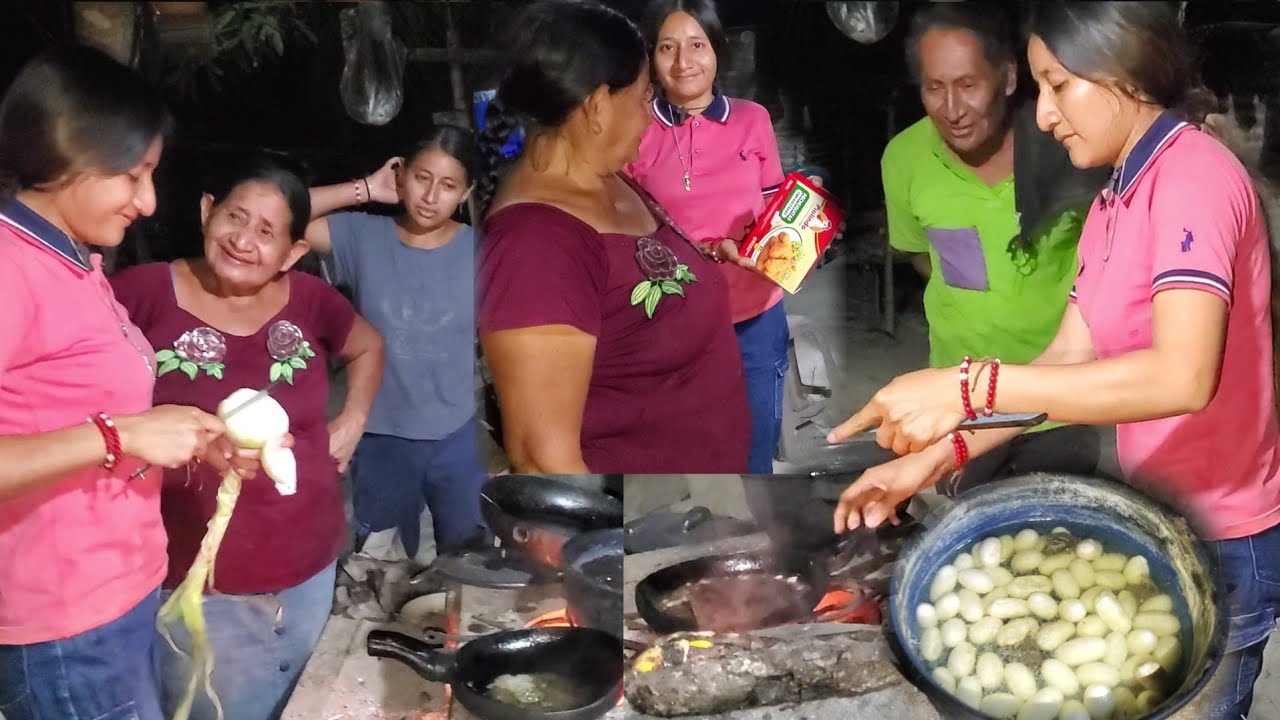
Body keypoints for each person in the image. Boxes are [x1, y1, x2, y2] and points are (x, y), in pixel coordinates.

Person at [830, 4, 1280, 717]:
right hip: (1159, 512)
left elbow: (1183, 376)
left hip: (1225, 535)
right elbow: (1064, 361)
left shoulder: (1192, 176)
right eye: (1040, 88)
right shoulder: (1112, 204)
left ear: (1123, 70)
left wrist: (964, 384)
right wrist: (935, 457)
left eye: (1059, 85)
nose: (1043, 115)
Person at [0, 45, 239, 720]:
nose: (148, 201)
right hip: (63, 629)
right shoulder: (10, 266)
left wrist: (189, 437)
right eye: (133, 176)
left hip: (117, 596)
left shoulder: (74, 261)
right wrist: (120, 434)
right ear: (64, 152)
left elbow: (63, 407)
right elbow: (105, 430)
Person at [111, 154, 385, 720]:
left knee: (300, 703)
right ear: (207, 211)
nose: (243, 241)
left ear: (293, 252)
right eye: (235, 217)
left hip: (309, 564)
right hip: (196, 580)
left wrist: (353, 419)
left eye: (266, 232)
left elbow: (368, 345)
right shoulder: (141, 293)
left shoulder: (310, 299)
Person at [475, 0, 749, 473]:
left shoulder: (607, 181)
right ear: (598, 105)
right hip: (639, 512)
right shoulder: (534, 247)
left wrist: (704, 257)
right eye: (643, 98)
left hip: (701, 494)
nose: (649, 115)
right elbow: (543, 459)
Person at [879, 2, 1109, 492]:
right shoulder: (904, 159)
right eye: (934, 88)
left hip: (1060, 404)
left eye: (968, 85)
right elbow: (921, 257)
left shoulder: (1065, 150)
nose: (952, 109)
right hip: (959, 403)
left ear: (1006, 78)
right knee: (970, 524)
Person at [303, 126, 487, 559]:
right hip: (380, 436)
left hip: (456, 436)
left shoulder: (482, 251)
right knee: (378, 562)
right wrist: (366, 188)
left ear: (465, 193)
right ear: (401, 175)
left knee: (468, 557)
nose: (431, 196)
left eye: (448, 186)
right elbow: (278, 215)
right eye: (422, 178)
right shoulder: (363, 237)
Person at [627, 0, 789, 474]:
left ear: (717, 51)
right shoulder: (633, 128)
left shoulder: (753, 119)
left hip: (756, 315)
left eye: (697, 45)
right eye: (667, 48)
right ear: (651, 57)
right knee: (688, 451)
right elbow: (625, 231)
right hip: (674, 320)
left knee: (755, 448)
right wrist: (700, 251)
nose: (684, 62)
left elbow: (776, 212)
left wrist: (804, 220)